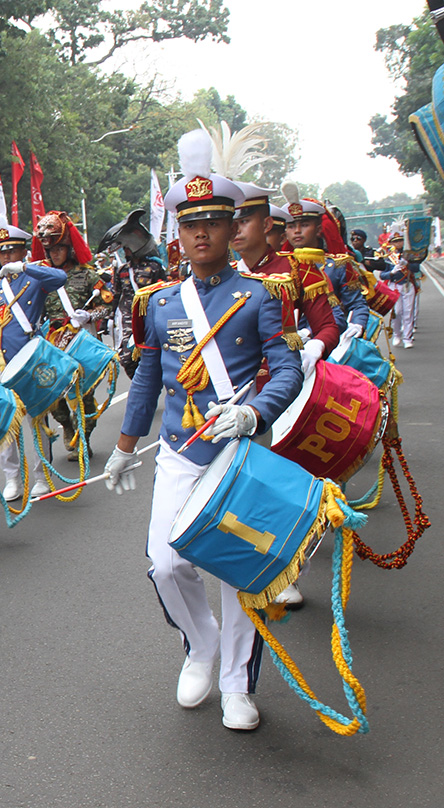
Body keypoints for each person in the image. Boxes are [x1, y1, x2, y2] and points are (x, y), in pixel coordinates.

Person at [104, 129, 303, 731]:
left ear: (231, 228)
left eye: (213, 222)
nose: (200, 233)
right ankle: (201, 645)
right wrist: (122, 446)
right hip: (178, 451)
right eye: (189, 222)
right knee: (165, 564)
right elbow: (145, 381)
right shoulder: (159, 302)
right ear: (178, 231)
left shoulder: (260, 294)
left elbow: (288, 369)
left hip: (236, 451)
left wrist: (255, 413)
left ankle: (238, 685)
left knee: (236, 569)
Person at [0, 232, 67, 500]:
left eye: (12, 252)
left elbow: (60, 279)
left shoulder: (35, 278)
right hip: (3, 363)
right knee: (6, 424)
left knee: (37, 420)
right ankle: (12, 478)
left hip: (29, 360)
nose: (6, 257)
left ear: (22, 253)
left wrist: (27, 268)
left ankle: (42, 474)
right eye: (3, 252)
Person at [230, 182, 340, 377]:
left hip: (282, 377)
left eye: (244, 221)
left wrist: (315, 347)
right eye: (231, 223)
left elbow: (327, 326)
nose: (235, 230)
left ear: (266, 224)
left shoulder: (299, 269)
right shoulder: (226, 274)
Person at [40, 210, 114, 459]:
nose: (55, 254)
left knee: (84, 396)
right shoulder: (43, 278)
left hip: (82, 341)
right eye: (51, 250)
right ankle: (67, 426)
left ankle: (84, 439)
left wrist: (89, 316)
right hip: (53, 343)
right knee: (54, 399)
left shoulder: (87, 274)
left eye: (60, 248)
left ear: (69, 248)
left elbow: (108, 303)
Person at [282, 185, 368, 341]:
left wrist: (357, 324)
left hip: (332, 341)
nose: (297, 231)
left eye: (305, 225)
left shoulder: (339, 265)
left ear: (318, 229)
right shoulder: (279, 267)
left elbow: (356, 304)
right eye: (291, 226)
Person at [97, 209, 167, 379]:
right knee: (127, 357)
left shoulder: (155, 268)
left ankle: (153, 383)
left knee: (155, 354)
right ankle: (140, 382)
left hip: (151, 315)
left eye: (127, 247)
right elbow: (116, 295)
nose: (125, 251)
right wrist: (109, 319)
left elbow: (164, 292)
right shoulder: (121, 271)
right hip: (128, 318)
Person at [381, 228, 421, 348]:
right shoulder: (388, 257)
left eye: (400, 241)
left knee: (408, 312)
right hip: (394, 285)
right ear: (391, 243)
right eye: (395, 241)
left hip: (407, 284)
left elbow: (416, 268)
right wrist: (391, 273)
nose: (398, 244)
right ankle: (397, 334)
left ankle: (407, 338)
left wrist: (407, 263)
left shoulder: (409, 255)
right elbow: (383, 275)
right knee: (397, 312)